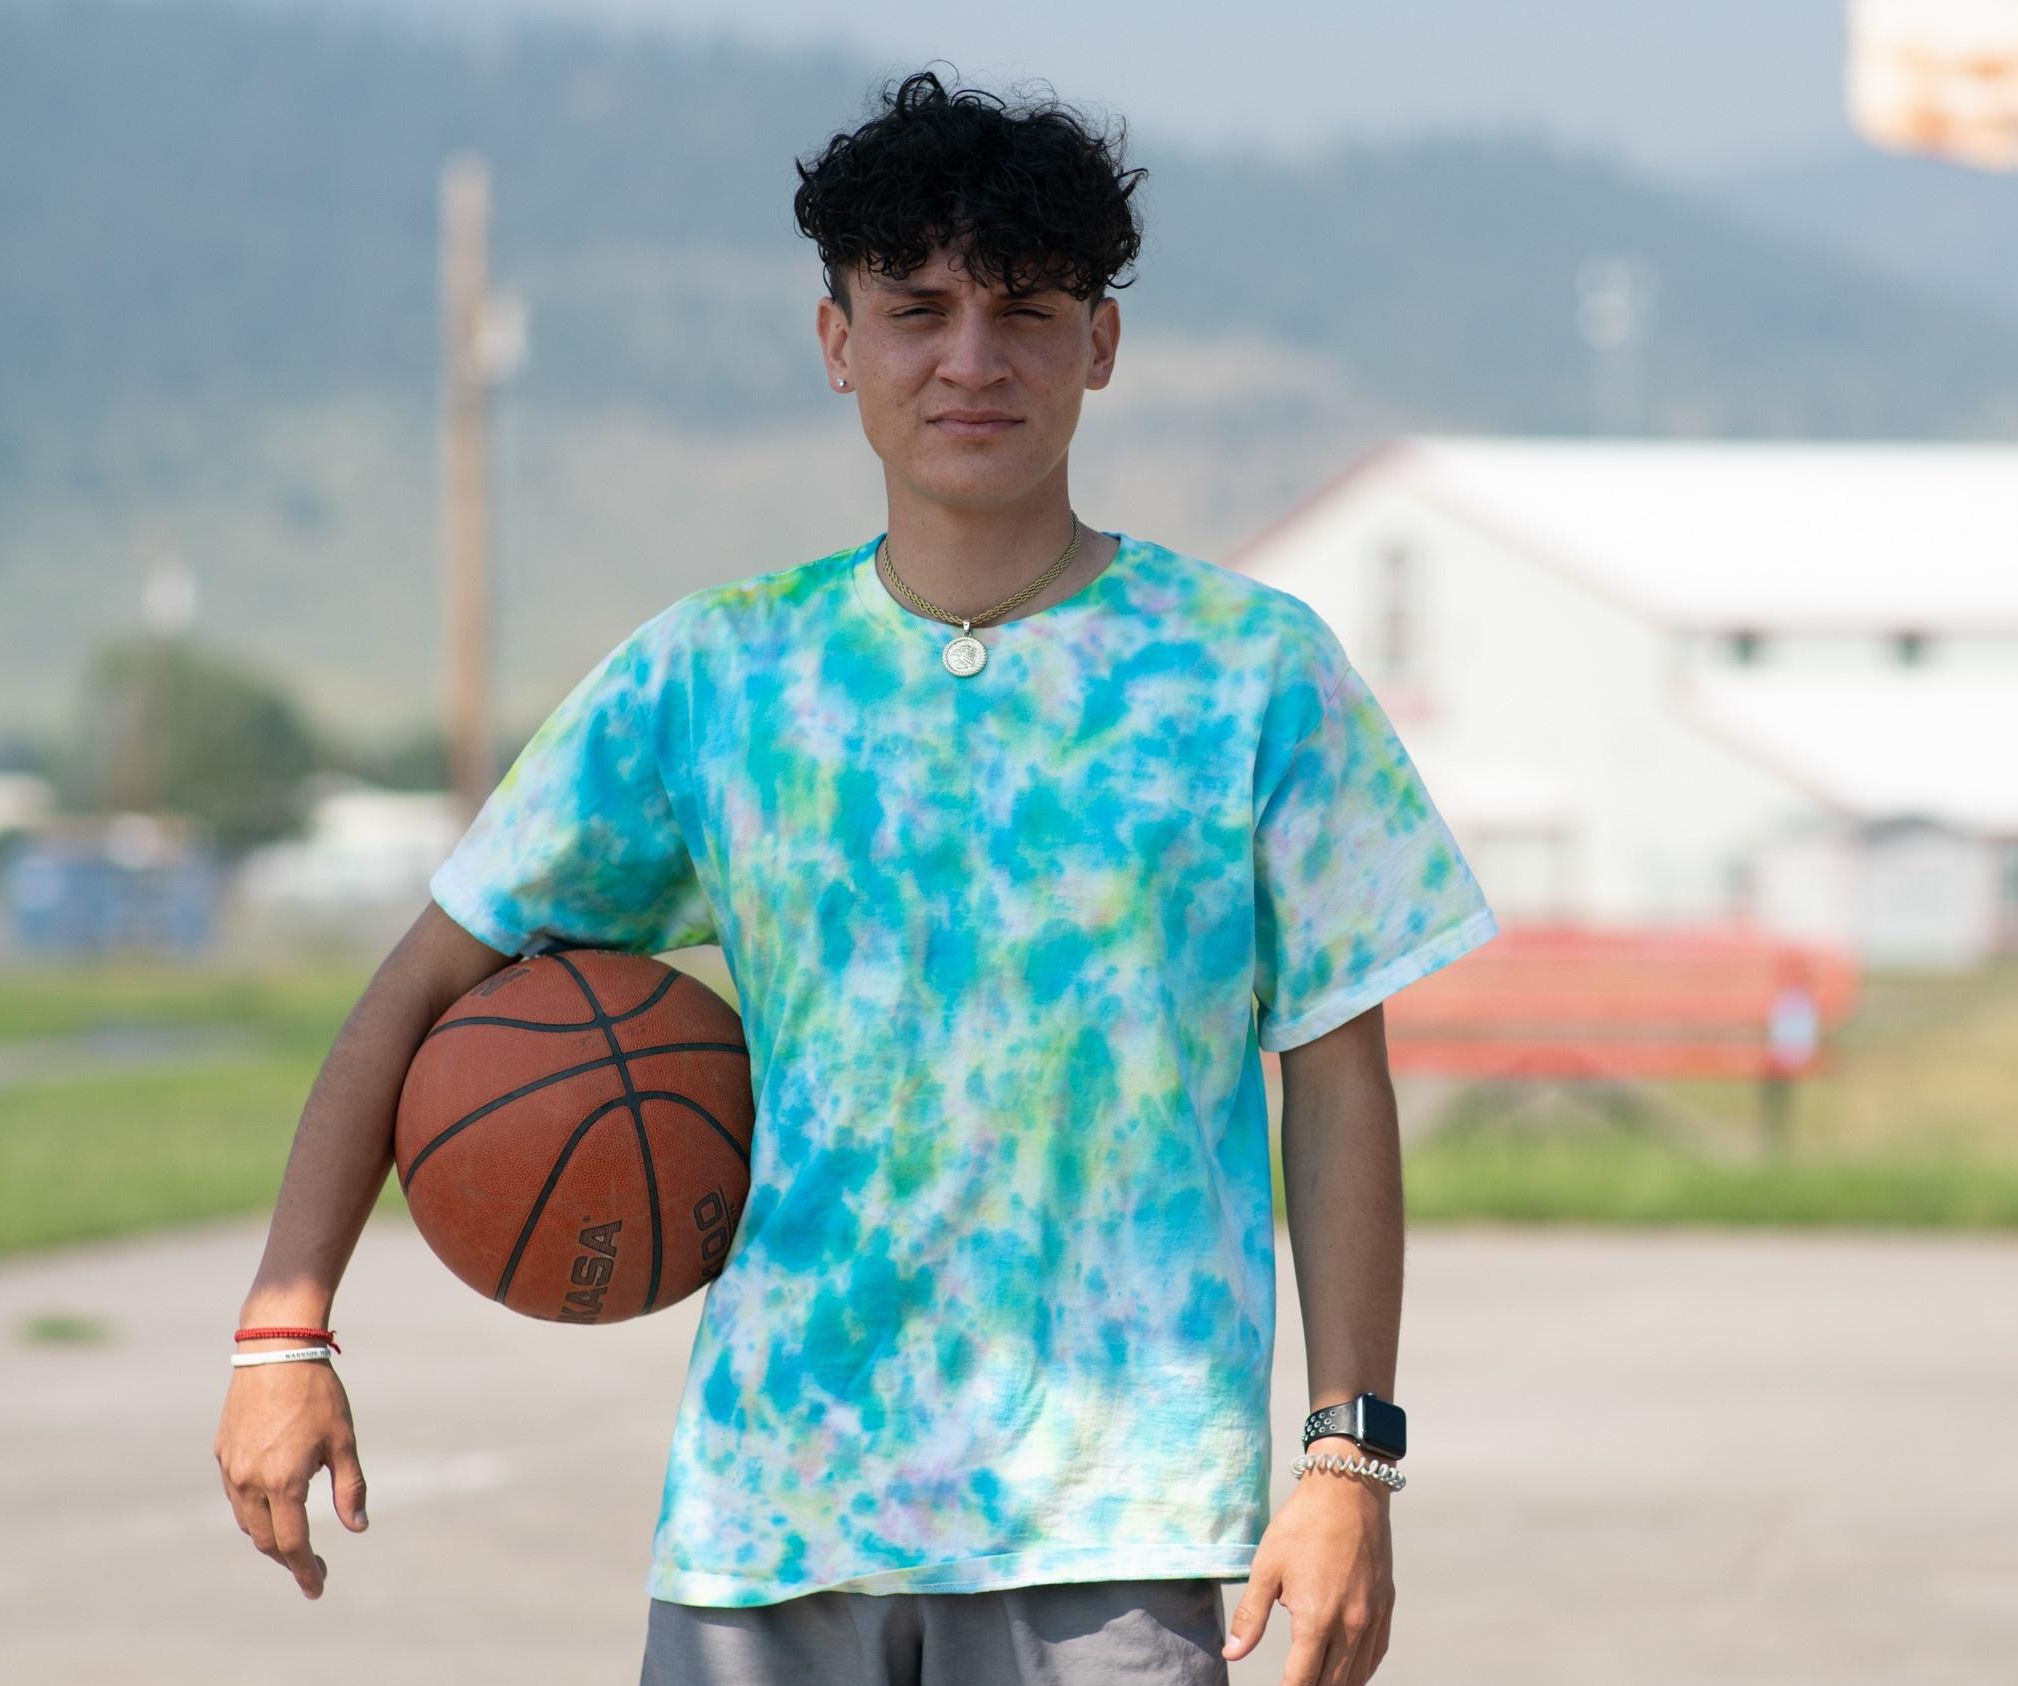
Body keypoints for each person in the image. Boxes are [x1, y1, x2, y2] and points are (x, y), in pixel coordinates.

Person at [213, 67, 1498, 1686]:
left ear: (1099, 345)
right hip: (773, 1511)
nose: (971, 357)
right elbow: (414, 994)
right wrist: (285, 1328)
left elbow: (1335, 1073)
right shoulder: (716, 674)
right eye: (917, 308)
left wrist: (1349, 1455)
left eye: (1026, 310)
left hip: (1117, 1521)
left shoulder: (1248, 672)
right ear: (838, 342)